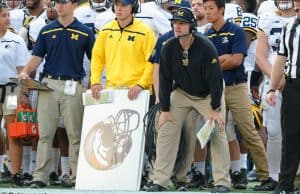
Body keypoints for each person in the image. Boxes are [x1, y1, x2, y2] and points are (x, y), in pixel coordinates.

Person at [146, 7, 231, 193]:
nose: (177, 26)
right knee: (165, 128)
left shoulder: (206, 46)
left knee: (218, 130)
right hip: (182, 93)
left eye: (182, 23)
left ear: (191, 26)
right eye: (175, 23)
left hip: (208, 94)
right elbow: (165, 80)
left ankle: (222, 182)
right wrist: (165, 109)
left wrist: (216, 109)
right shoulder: (168, 47)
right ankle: (159, 181)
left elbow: (216, 80)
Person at [18, 0, 95, 188]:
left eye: (63, 2)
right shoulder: (46, 30)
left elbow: (96, 60)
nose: (58, 6)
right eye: (56, 2)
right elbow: (36, 56)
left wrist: (92, 83)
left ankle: (77, 176)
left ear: (74, 5)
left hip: (74, 84)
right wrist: (25, 71)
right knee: (45, 134)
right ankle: (40, 177)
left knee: (75, 134)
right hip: (49, 84)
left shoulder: (85, 31)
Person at [204, 0, 277, 191]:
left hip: (237, 86)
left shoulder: (236, 31)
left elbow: (236, 60)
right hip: (216, 88)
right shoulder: (207, 34)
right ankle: (225, 179)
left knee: (248, 132)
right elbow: (205, 64)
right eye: (206, 9)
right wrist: (220, 62)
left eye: (211, 8)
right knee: (219, 133)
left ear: (221, 10)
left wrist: (215, 64)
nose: (207, 12)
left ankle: (265, 176)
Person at [256, 0, 295, 183]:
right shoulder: (267, 18)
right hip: (272, 81)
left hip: (295, 79)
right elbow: (260, 56)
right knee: (273, 131)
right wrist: (276, 79)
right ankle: (274, 176)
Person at [90, 0, 156, 100]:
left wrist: (141, 85)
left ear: (133, 7)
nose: (119, 8)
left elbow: (152, 61)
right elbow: (97, 58)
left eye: (124, 5)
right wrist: (95, 82)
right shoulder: (105, 30)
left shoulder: (145, 32)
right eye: (116, 4)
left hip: (139, 92)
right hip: (112, 91)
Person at [267, 0, 300, 193]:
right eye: (295, 2)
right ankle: (285, 184)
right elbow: (281, 57)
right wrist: (272, 88)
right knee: (290, 136)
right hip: (294, 86)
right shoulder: (289, 26)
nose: (297, 6)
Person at [0, 3, 30, 187]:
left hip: (11, 90)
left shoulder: (16, 40)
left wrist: (24, 93)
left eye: (8, 15)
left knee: (13, 131)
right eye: (3, 15)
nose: (8, 19)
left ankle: (16, 173)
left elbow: (22, 70)